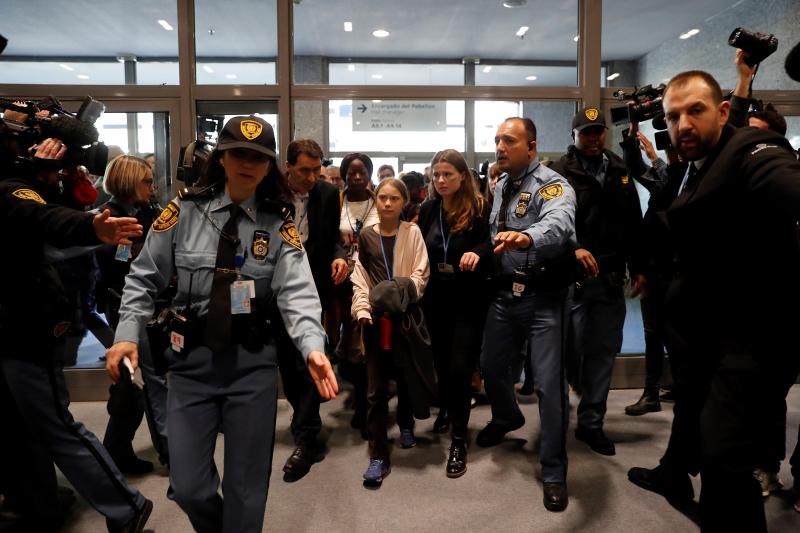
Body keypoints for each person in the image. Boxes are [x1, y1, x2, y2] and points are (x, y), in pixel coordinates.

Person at [105, 116, 338, 533]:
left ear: (269, 167)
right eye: (238, 154)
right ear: (222, 158)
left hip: (250, 366)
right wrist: (125, 335)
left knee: (247, 489)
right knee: (189, 486)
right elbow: (143, 277)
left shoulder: (278, 224)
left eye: (258, 157)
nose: (248, 163)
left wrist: (312, 346)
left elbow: (298, 293)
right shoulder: (183, 211)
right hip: (191, 364)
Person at [626, 71, 800, 532]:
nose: (683, 124)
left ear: (723, 113)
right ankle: (675, 474)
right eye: (673, 116)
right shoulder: (693, 163)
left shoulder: (750, 151)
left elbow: (785, 186)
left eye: (695, 111)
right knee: (708, 445)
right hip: (700, 340)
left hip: (745, 344)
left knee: (724, 463)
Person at [0, 129, 152, 533]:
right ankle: (40, 503)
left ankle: (125, 504)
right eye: (146, 179)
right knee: (24, 426)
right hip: (47, 315)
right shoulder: (26, 188)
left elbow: (47, 218)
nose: (151, 185)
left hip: (31, 325)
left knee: (56, 421)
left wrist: (90, 229)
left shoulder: (19, 190)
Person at [477, 117, 576, 512]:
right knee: (490, 366)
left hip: (544, 297)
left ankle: (553, 470)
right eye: (498, 139)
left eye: (510, 141)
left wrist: (529, 235)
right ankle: (506, 416)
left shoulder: (551, 183)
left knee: (550, 386)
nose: (500, 147)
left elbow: (560, 222)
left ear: (531, 148)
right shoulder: (501, 185)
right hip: (505, 295)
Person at [550, 108, 646, 456]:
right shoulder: (558, 173)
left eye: (598, 132)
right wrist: (571, 249)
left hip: (608, 277)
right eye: (585, 133)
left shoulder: (619, 169)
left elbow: (633, 222)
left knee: (604, 351)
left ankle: (592, 423)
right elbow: (548, 225)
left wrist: (639, 266)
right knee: (570, 350)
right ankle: (568, 400)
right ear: (573, 136)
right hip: (571, 279)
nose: (593, 139)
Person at [417, 149, 492, 478]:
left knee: (460, 367)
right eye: (436, 175)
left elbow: (492, 244)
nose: (441, 180)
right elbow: (418, 247)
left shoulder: (478, 209)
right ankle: (447, 408)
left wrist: (477, 252)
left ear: (463, 176)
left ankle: (459, 440)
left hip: (466, 300)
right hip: (434, 300)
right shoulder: (428, 208)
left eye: (448, 174)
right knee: (440, 365)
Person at [351, 177, 430, 488]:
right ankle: (378, 454)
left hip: (406, 317)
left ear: (403, 202)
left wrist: (399, 295)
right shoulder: (367, 237)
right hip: (375, 321)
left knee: (407, 374)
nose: (386, 203)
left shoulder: (413, 232)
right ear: (375, 200)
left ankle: (406, 422)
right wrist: (362, 310)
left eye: (393, 199)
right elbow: (360, 279)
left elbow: (420, 274)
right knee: (375, 389)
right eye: (382, 197)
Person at [95, 155, 169, 473]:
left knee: (133, 384)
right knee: (149, 380)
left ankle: (116, 452)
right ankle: (168, 452)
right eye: (147, 181)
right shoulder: (110, 217)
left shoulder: (147, 211)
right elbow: (118, 266)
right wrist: (134, 250)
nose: (152, 188)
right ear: (128, 181)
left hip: (150, 303)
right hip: (125, 305)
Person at [278, 139, 347, 481]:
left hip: (312, 287)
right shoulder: (268, 193)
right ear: (287, 166)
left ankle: (307, 436)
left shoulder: (326, 194)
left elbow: (332, 236)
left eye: (316, 170)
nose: (311, 176)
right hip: (273, 290)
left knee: (308, 358)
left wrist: (339, 255)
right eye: (304, 169)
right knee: (287, 365)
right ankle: (302, 417)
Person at [334, 153, 379, 437]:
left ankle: (366, 403)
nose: (357, 177)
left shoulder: (380, 201)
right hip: (340, 281)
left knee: (365, 340)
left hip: (371, 278)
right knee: (346, 338)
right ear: (344, 175)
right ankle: (357, 391)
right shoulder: (335, 202)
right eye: (351, 172)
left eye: (362, 172)